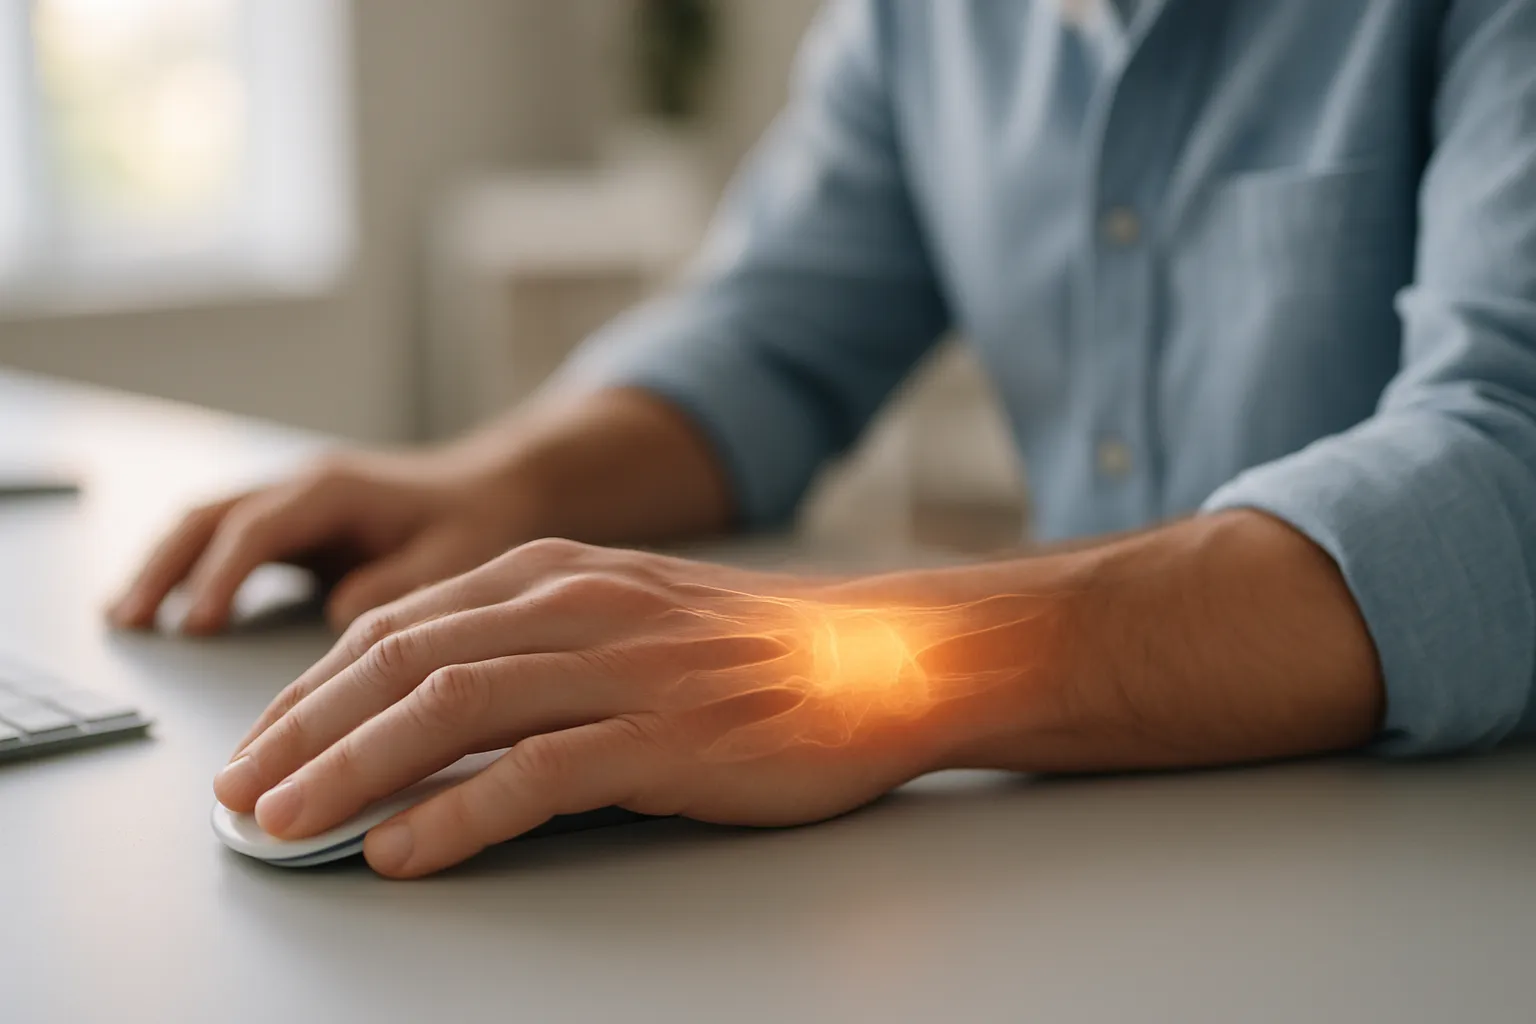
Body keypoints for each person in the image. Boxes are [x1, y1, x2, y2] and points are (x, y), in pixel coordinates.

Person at [110, 0, 1536, 878]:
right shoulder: (922, 21)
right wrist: (504, 480)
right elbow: (773, 332)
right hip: (1105, 857)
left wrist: (862, 665)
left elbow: (1506, 462)